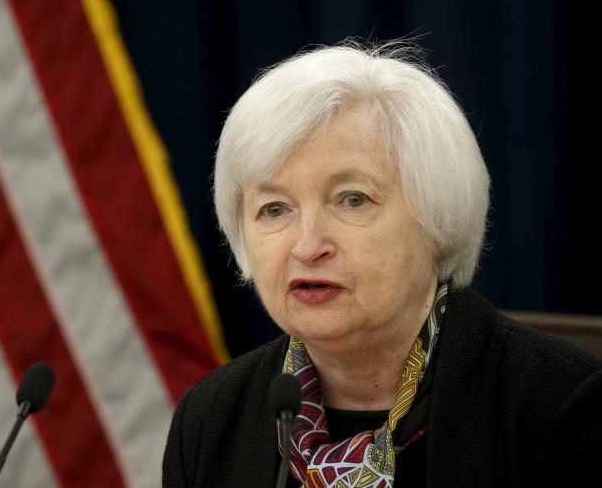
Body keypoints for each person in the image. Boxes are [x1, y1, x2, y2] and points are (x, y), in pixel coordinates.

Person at [162, 41, 602, 486]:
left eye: (353, 199)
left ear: (437, 217)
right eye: (275, 208)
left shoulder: (563, 406)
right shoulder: (210, 418)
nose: (308, 245)